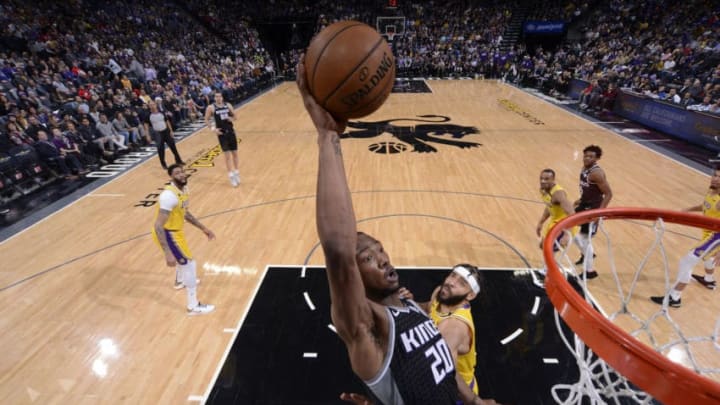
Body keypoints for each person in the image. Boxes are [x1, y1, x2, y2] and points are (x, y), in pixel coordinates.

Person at [298, 57, 459, 404]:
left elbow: (436, 371)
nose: (383, 259)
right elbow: (339, 252)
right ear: (353, 278)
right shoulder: (367, 327)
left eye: (380, 250)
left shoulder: (408, 306)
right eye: (368, 258)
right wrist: (328, 138)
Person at [651, 168, 720, 308]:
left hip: (715, 237)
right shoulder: (712, 190)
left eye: (719, 177)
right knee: (707, 257)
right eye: (715, 175)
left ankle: (675, 298)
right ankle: (709, 280)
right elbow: (705, 206)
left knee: (686, 262)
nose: (715, 178)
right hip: (707, 233)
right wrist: (686, 210)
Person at [151, 163, 214, 315]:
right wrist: (167, 252)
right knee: (190, 264)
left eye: (182, 172)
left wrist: (203, 228)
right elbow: (158, 226)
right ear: (171, 177)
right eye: (177, 173)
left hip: (176, 231)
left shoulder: (184, 189)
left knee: (184, 263)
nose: (182, 175)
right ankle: (193, 306)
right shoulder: (168, 196)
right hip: (167, 233)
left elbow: (185, 213)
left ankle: (180, 281)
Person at [574, 145, 613, 278]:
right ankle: (587, 253)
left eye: (591, 157)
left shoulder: (597, 173)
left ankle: (590, 271)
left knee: (583, 238)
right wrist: (580, 199)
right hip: (584, 204)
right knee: (571, 231)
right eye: (585, 155)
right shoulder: (585, 168)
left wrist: (599, 213)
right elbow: (588, 189)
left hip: (593, 209)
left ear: (597, 159)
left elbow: (608, 194)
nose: (587, 158)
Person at [536, 169, 577, 252]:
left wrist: (566, 234)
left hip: (564, 223)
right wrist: (540, 222)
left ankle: (548, 265)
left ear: (553, 180)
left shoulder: (558, 194)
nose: (543, 181)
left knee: (549, 249)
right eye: (541, 178)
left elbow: (572, 213)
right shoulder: (543, 190)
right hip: (554, 220)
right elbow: (549, 207)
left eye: (547, 179)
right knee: (542, 246)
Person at [205, 93, 240, 187]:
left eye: (219, 96)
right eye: (216, 96)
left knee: (235, 154)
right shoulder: (211, 107)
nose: (218, 98)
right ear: (214, 98)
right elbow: (206, 119)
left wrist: (231, 118)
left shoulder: (228, 105)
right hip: (222, 134)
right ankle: (231, 176)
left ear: (222, 97)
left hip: (231, 131)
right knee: (227, 156)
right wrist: (213, 129)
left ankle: (236, 172)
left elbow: (235, 117)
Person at [149, 101, 183, 170]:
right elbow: (146, 126)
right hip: (157, 134)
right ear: (149, 106)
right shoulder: (148, 115)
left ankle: (179, 161)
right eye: (151, 105)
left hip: (166, 131)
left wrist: (171, 131)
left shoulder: (162, 112)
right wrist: (148, 135)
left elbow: (167, 121)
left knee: (173, 146)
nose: (152, 106)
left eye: (153, 104)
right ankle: (163, 164)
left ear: (156, 105)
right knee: (161, 150)